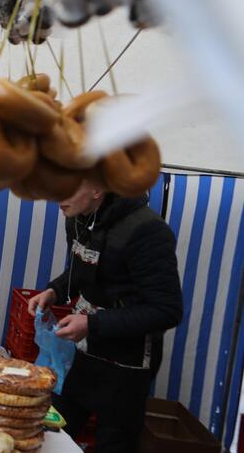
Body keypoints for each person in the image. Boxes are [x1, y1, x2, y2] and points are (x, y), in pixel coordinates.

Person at [27, 180, 183, 453]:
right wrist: (55, 290)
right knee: (53, 431)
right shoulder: (77, 218)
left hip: (126, 365)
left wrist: (93, 323)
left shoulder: (148, 231)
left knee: (114, 445)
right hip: (83, 352)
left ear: (97, 189)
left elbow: (167, 309)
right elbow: (81, 271)